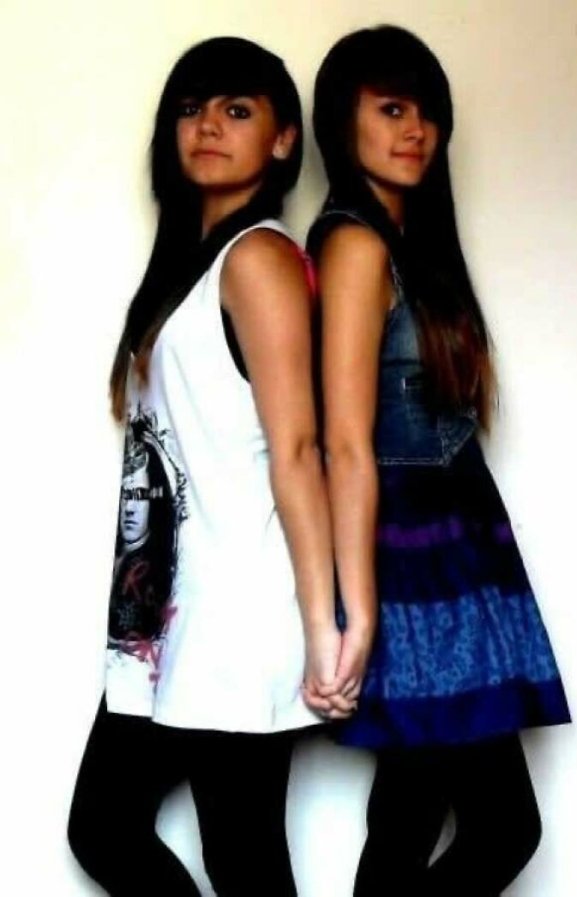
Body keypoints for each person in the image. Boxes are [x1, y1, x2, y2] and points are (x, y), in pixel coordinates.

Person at [68, 36, 346, 897]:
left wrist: (323, 627)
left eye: (236, 109)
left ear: (284, 140)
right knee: (120, 829)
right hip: (175, 616)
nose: (207, 127)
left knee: (239, 858)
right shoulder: (194, 269)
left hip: (239, 611)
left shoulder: (257, 259)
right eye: (190, 110)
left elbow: (297, 448)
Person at [305, 25, 571, 896]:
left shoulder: (404, 241)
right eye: (391, 109)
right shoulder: (356, 244)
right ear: (341, 123)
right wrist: (359, 611)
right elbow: (347, 439)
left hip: (450, 544)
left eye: (428, 113)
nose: (416, 130)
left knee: (411, 812)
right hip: (410, 557)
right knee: (496, 824)